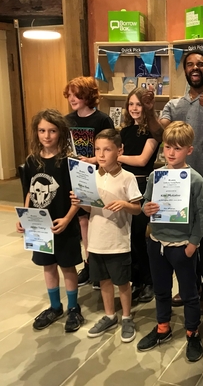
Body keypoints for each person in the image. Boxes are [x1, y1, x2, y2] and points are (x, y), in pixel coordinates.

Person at [145, 49, 203, 314]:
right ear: (184, 70)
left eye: (201, 64)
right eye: (190, 64)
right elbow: (159, 133)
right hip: (176, 181)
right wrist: (150, 112)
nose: (195, 68)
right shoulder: (174, 105)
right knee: (185, 237)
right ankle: (189, 287)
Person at [137, 122, 203, 362]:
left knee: (189, 294)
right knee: (161, 290)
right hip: (157, 243)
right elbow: (145, 203)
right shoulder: (155, 176)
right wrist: (145, 208)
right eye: (168, 147)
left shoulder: (196, 180)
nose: (171, 153)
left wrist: (193, 244)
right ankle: (162, 328)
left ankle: (192, 332)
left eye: (177, 148)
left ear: (189, 150)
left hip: (182, 247)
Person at [71, 129, 142, 343]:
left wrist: (125, 204)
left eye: (107, 149)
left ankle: (127, 316)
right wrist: (78, 202)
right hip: (96, 240)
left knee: (122, 282)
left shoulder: (127, 178)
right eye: (98, 150)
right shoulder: (91, 176)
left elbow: (138, 208)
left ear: (119, 150)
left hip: (117, 241)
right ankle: (110, 314)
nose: (101, 155)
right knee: (103, 280)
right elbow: (89, 207)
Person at [16, 109, 83, 332]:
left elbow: (78, 198)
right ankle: (55, 307)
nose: (47, 135)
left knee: (67, 266)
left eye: (52, 131)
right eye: (42, 130)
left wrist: (67, 219)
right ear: (36, 133)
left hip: (63, 224)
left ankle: (74, 308)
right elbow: (29, 192)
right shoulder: (32, 161)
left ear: (61, 133)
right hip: (40, 227)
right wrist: (25, 217)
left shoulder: (68, 162)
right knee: (48, 266)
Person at [64, 76, 114, 287]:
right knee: (82, 221)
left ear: (88, 95)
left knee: (97, 220)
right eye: (70, 95)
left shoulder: (102, 119)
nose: (72, 99)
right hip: (75, 176)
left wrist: (93, 159)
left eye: (77, 94)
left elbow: (111, 148)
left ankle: (100, 266)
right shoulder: (67, 120)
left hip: (97, 176)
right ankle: (88, 263)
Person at [119, 87, 160, 303]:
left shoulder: (152, 132)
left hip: (143, 185)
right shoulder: (124, 132)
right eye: (131, 104)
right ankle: (136, 280)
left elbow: (142, 160)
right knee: (128, 237)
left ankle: (149, 280)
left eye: (139, 104)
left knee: (139, 235)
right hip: (125, 186)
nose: (135, 108)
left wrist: (118, 157)